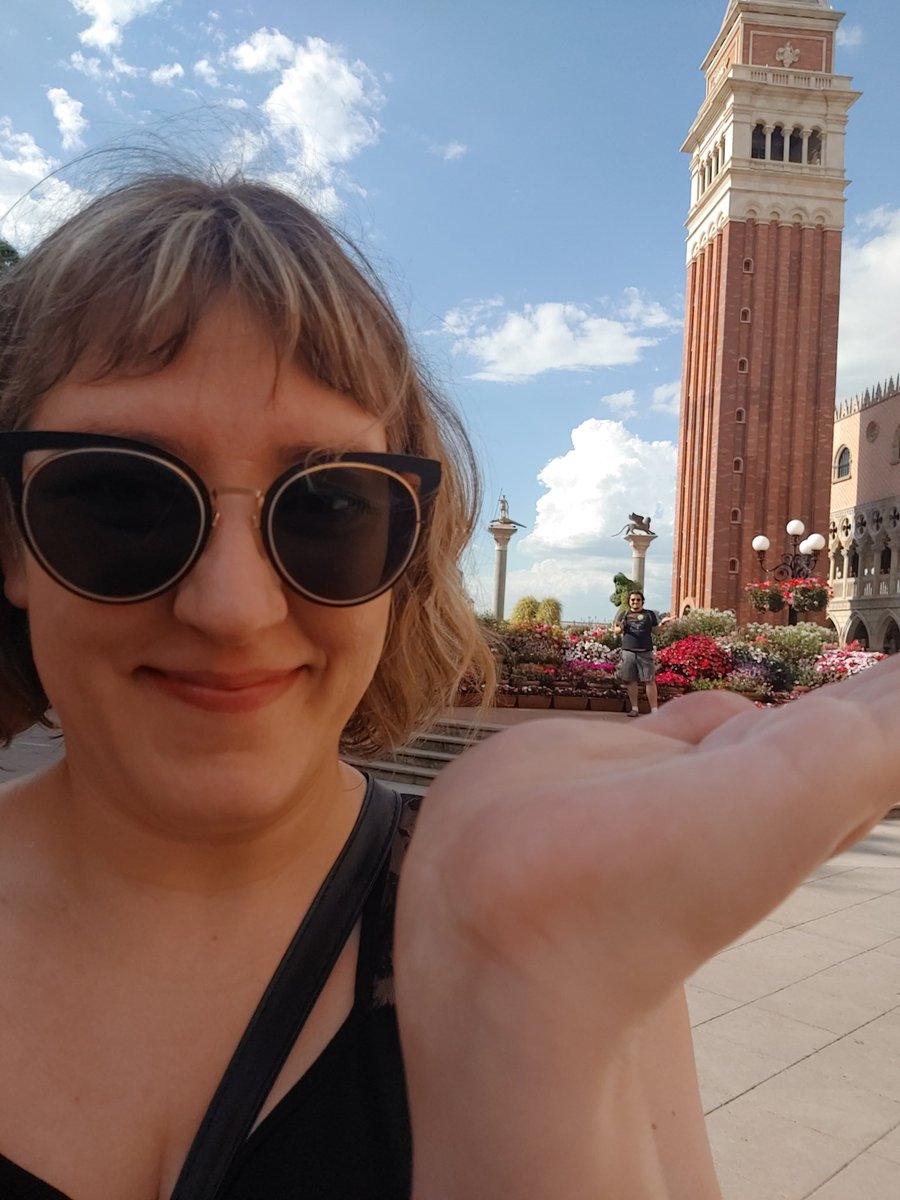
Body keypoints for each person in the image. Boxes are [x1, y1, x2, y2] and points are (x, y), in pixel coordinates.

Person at [0, 172, 896, 1200]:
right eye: (121, 494)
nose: (234, 607)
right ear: (10, 541)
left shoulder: (547, 928)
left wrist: (535, 1030)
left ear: (407, 551)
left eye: (329, 503)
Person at [614, 590, 660, 716]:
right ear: (629, 602)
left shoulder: (650, 615)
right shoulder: (623, 615)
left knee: (649, 680)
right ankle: (634, 708)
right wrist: (620, 628)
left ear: (642, 601)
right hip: (628, 651)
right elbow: (616, 630)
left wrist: (665, 624)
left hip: (645, 651)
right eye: (633, 600)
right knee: (631, 681)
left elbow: (657, 630)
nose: (635, 602)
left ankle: (655, 711)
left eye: (638, 600)